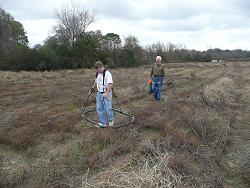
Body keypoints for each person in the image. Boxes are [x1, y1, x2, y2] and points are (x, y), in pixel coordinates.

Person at [90, 61, 114, 128]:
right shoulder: (97, 73)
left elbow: (110, 84)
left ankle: (111, 121)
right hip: (99, 93)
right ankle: (102, 123)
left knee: (108, 108)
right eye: (96, 70)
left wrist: (106, 92)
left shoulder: (107, 73)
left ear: (101, 67)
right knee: (99, 108)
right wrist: (93, 87)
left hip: (107, 93)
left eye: (98, 69)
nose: (97, 71)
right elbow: (96, 81)